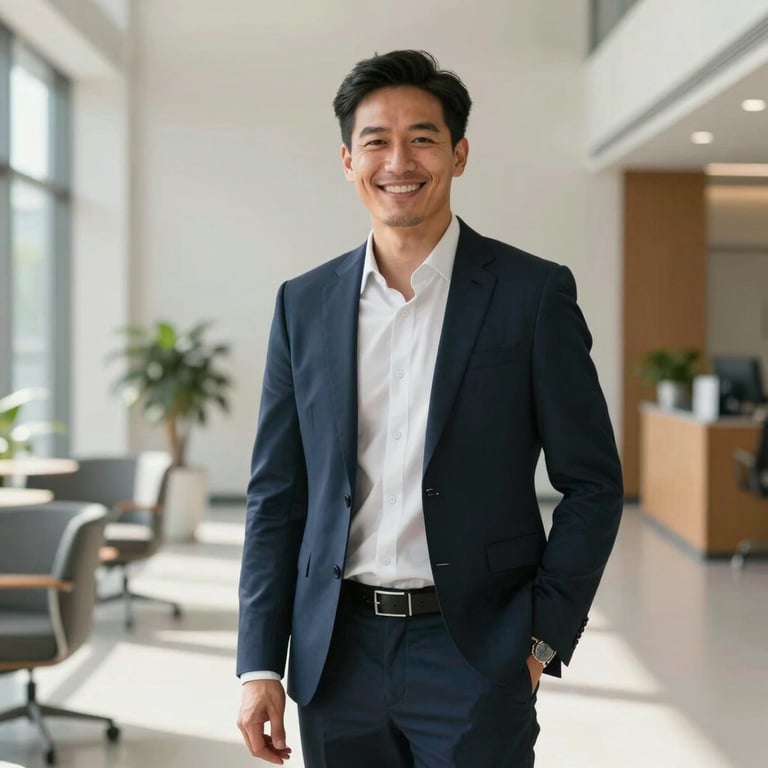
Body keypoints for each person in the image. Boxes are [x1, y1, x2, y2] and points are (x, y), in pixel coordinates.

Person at [236, 49, 623, 767]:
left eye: (423, 138)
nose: (399, 161)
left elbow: (593, 483)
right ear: (348, 159)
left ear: (459, 153)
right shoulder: (305, 305)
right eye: (377, 141)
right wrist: (260, 664)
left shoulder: (532, 296)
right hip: (336, 655)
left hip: (475, 651)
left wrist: (539, 641)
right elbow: (277, 494)